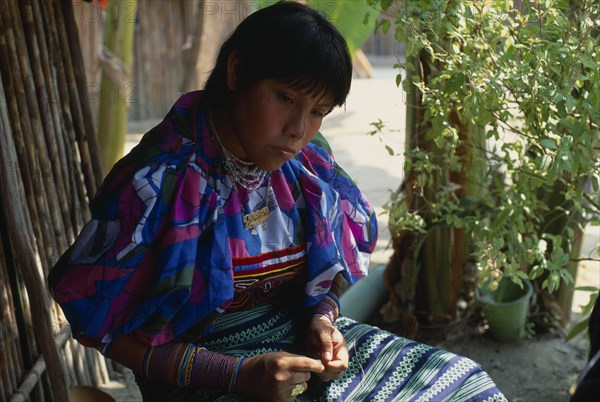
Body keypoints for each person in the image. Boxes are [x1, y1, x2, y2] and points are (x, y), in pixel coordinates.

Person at [49, 2, 507, 401]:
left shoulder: (309, 166)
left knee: (466, 385)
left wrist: (324, 323)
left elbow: (330, 272)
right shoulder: (156, 181)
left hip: (298, 350)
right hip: (199, 370)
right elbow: (104, 324)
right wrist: (237, 374)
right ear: (236, 72)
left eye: (318, 111)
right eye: (285, 97)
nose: (298, 128)